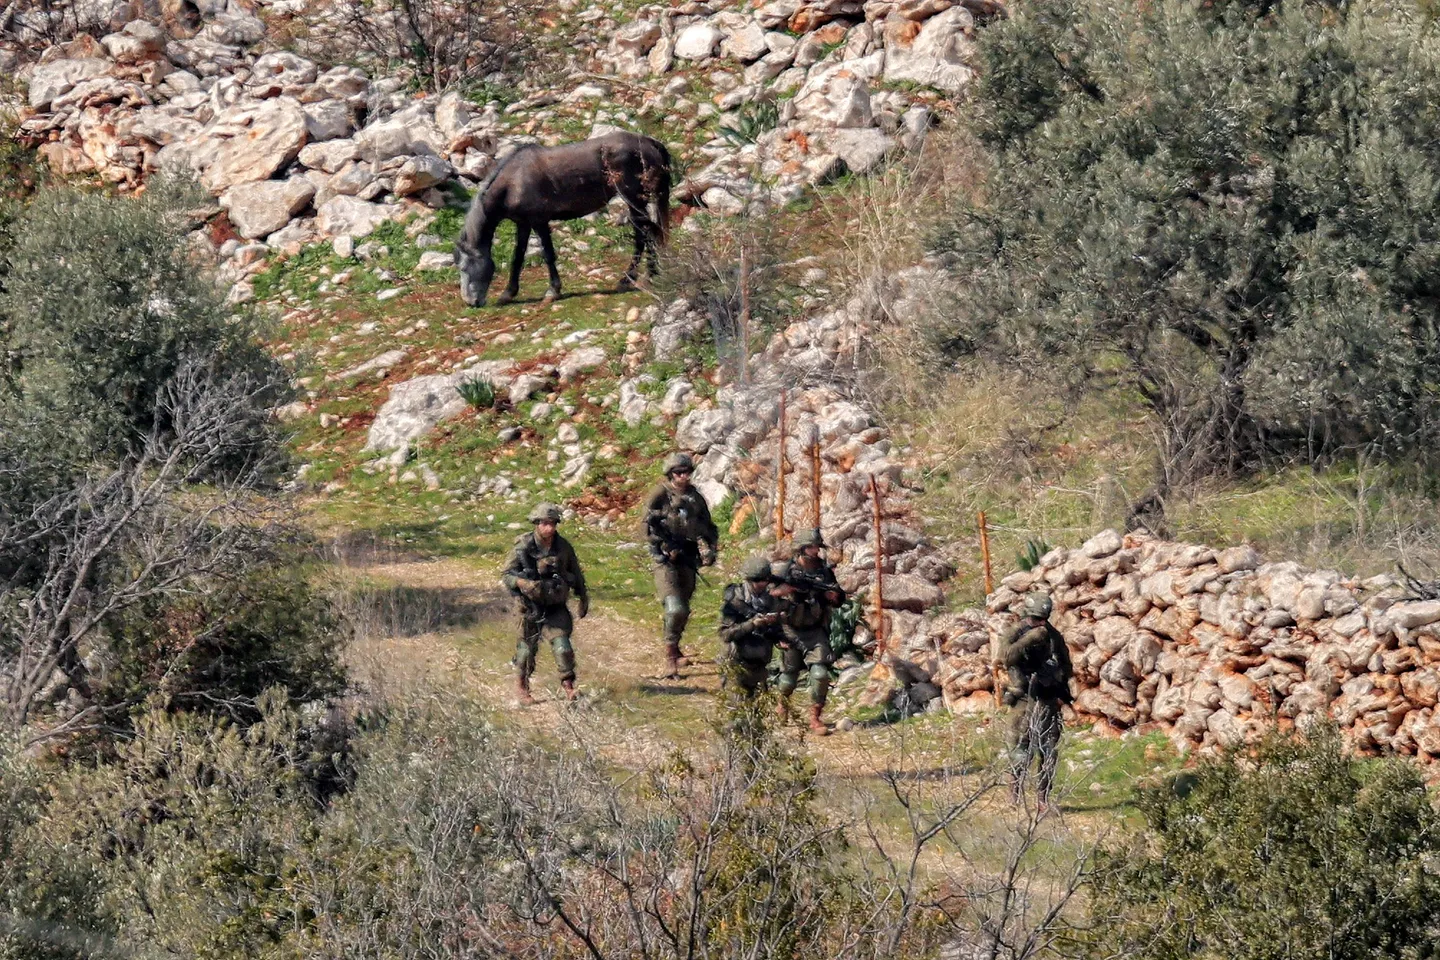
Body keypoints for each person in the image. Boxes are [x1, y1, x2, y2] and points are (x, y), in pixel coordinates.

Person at [502, 503, 590, 705]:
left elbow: (575, 572)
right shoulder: (523, 547)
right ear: (536, 524)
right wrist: (523, 583)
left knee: (562, 647)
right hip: (529, 607)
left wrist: (583, 596)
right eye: (544, 523)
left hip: (555, 605)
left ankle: (568, 685)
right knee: (526, 650)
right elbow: (506, 575)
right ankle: (522, 687)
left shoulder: (563, 547)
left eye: (552, 523)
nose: (548, 528)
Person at [644, 451, 718, 679]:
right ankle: (670, 659)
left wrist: (711, 550)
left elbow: (708, 526)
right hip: (665, 560)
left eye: (686, 472)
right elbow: (646, 525)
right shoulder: (660, 495)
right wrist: (663, 546)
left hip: (688, 556)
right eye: (678, 472)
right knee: (675, 608)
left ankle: (675, 646)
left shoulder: (696, 498)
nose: (683, 476)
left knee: (684, 607)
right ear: (670, 474)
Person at [999, 591, 1074, 812]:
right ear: (1026, 615)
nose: (1039, 624)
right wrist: (1028, 640)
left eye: (1043, 620)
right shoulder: (1016, 632)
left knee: (1049, 750)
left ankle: (1043, 800)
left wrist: (1056, 679)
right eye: (1035, 619)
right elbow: (1004, 657)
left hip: (1047, 699)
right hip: (1023, 700)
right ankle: (1013, 797)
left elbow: (1066, 665)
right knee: (1021, 748)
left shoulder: (1053, 636)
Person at [774, 528, 846, 735]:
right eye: (812, 547)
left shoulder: (823, 571)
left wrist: (833, 597)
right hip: (790, 630)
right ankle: (782, 704)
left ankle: (815, 716)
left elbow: (838, 596)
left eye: (817, 547)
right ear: (802, 548)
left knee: (820, 674)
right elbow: (771, 598)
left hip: (815, 631)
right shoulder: (786, 571)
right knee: (788, 679)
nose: (816, 551)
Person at [718, 555, 785, 697]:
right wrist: (751, 625)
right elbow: (725, 634)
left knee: (757, 712)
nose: (762, 584)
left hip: (760, 664)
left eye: (765, 580)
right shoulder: (735, 601)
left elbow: (776, 630)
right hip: (737, 664)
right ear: (748, 580)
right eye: (757, 580)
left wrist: (779, 636)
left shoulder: (771, 600)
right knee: (738, 713)